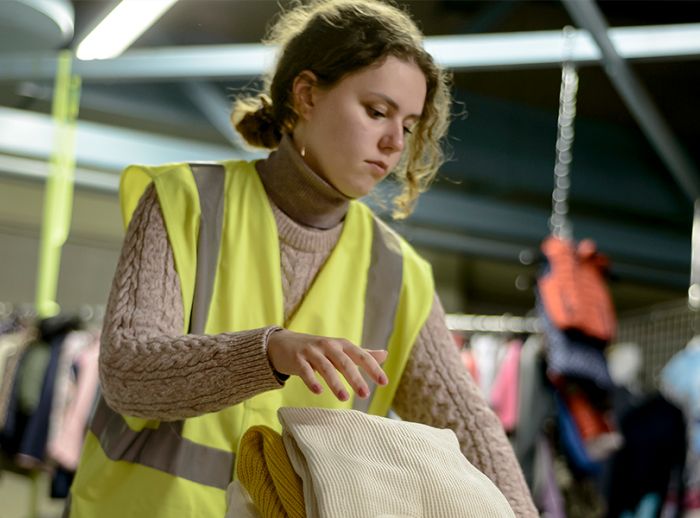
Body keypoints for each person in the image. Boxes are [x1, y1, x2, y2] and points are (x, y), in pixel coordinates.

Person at [66, 1, 537, 516]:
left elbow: (473, 434)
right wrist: (268, 352)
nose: (392, 143)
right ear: (307, 94)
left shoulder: (399, 272)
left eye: (408, 125)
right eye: (377, 111)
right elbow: (129, 376)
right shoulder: (184, 202)